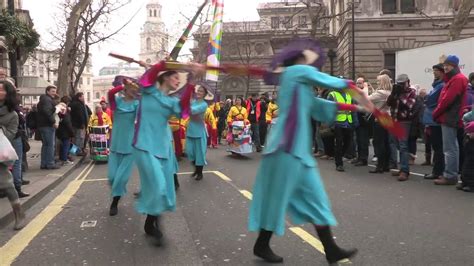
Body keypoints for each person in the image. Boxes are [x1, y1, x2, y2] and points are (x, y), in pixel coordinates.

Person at [249, 39, 361, 264]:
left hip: (297, 152)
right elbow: (333, 83)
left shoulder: (300, 85)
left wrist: (355, 106)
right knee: (277, 199)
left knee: (316, 199)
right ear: (299, 60)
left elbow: (319, 107)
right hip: (284, 149)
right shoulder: (295, 73)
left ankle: (330, 249)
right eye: (306, 59)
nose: (310, 64)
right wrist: (352, 87)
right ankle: (262, 244)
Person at [132, 61, 199, 244]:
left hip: (163, 148)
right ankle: (157, 226)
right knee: (158, 185)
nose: (179, 81)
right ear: (165, 77)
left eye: (180, 78)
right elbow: (149, 75)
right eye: (176, 77)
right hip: (145, 146)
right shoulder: (148, 90)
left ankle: (150, 222)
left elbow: (184, 110)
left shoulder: (171, 101)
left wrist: (192, 79)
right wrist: (163, 63)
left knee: (165, 190)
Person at [432, 55, 468, 185]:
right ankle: (452, 173)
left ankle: (450, 175)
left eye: (448, 65)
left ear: (454, 66)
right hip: (452, 116)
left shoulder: (457, 79)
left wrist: (436, 113)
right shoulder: (456, 78)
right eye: (445, 65)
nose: (445, 67)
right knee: (453, 147)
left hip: (450, 116)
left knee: (449, 148)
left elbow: (447, 100)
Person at [107, 77, 139, 216]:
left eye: (135, 89)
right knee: (112, 178)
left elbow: (140, 120)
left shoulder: (137, 104)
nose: (134, 91)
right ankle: (117, 193)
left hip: (130, 146)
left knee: (121, 178)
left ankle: (114, 202)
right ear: (126, 89)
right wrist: (123, 85)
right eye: (131, 89)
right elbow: (110, 93)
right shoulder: (117, 102)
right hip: (115, 145)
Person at [0, 80, 26, 230]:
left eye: (1, 90)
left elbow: (9, 135)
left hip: (1, 150)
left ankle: (18, 213)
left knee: (6, 184)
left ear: (8, 93)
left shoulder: (13, 115)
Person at [386, 74, 417, 181]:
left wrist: (400, 95)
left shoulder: (411, 92)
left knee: (403, 145)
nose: (400, 86)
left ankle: (405, 171)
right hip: (394, 120)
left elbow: (409, 105)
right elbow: (389, 103)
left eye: (402, 84)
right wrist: (393, 94)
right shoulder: (396, 92)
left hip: (404, 121)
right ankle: (402, 167)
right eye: (399, 84)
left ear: (408, 82)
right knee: (396, 143)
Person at [422, 64, 445, 180]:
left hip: (435, 120)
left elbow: (430, 100)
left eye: (436, 70)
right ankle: (437, 170)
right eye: (434, 70)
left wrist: (425, 97)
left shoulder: (441, 86)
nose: (434, 73)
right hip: (432, 120)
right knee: (436, 146)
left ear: (442, 72)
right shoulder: (437, 85)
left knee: (438, 147)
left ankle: (437, 171)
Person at [187, 83, 212, 181]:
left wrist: (187, 104)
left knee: (199, 154)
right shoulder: (192, 101)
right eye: (198, 90)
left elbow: (192, 111)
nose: (198, 92)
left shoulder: (204, 104)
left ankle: (199, 172)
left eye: (201, 91)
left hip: (199, 131)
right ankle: (196, 169)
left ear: (205, 94)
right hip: (190, 130)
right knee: (190, 152)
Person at [368, 74, 392, 173]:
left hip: (380, 119)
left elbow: (367, 99)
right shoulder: (390, 92)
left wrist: (366, 89)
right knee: (386, 142)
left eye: (378, 81)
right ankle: (386, 165)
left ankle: (380, 166)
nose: (377, 82)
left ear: (382, 82)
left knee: (378, 142)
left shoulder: (380, 93)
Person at [327, 89, 355, 172]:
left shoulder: (349, 94)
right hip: (338, 122)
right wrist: (331, 123)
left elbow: (353, 109)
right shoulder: (333, 94)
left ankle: (339, 156)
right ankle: (339, 164)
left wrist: (355, 122)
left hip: (348, 122)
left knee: (348, 142)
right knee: (339, 143)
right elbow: (329, 110)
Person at [37, 85, 60, 170]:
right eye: (52, 91)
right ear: (47, 91)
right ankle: (50, 163)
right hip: (47, 125)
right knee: (50, 145)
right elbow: (47, 111)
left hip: (42, 125)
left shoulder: (44, 99)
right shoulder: (47, 100)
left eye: (55, 91)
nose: (54, 93)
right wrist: (53, 122)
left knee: (45, 145)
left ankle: (44, 164)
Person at [56, 97, 75, 166]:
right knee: (66, 145)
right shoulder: (64, 109)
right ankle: (64, 160)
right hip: (65, 131)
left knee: (63, 145)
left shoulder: (59, 108)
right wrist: (72, 132)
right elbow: (67, 121)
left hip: (60, 130)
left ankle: (62, 158)